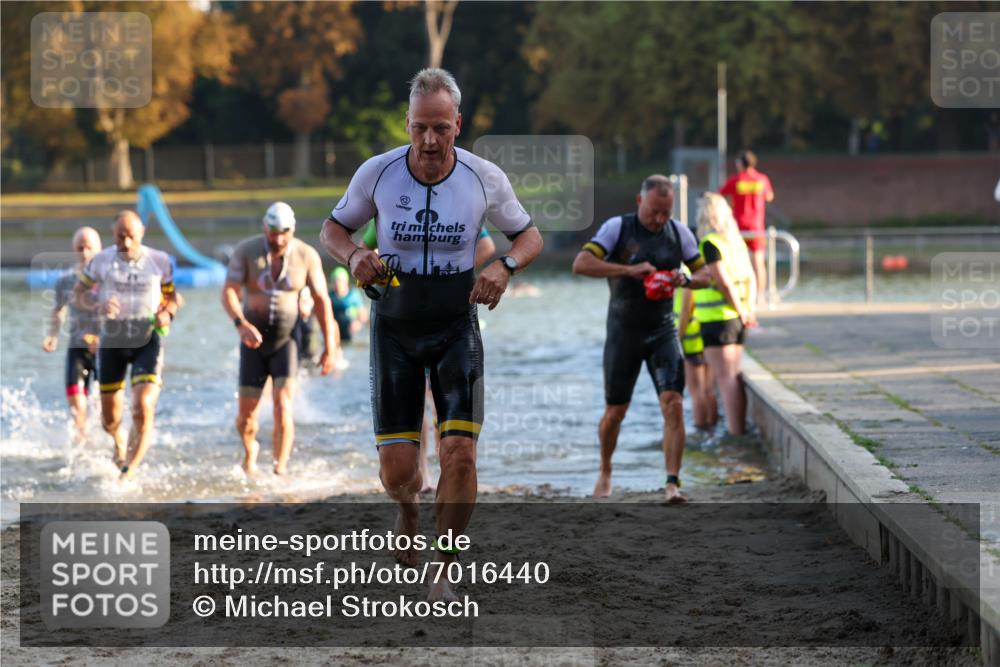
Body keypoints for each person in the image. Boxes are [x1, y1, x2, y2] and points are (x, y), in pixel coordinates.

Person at [320, 67, 543, 601]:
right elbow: (333, 228)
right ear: (407, 124)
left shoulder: (483, 176)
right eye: (420, 127)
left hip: (454, 326)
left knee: (461, 454)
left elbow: (529, 234)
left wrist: (505, 266)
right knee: (399, 471)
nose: (429, 140)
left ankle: (445, 562)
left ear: (457, 125)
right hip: (394, 328)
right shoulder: (377, 173)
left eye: (441, 128)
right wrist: (353, 255)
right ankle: (407, 509)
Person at [572, 175, 710, 503]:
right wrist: (628, 271)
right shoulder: (617, 228)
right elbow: (581, 264)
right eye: (653, 212)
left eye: (666, 212)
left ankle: (672, 483)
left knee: (673, 403)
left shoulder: (680, 233)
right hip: (623, 332)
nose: (659, 219)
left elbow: (706, 276)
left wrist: (686, 280)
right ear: (639, 202)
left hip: (663, 329)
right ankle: (605, 470)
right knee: (615, 412)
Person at [361, 222, 497, 495]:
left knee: (441, 410)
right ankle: (422, 470)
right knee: (417, 407)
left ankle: (444, 469)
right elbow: (365, 250)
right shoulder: (390, 211)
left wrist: (450, 272)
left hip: (448, 323)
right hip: (401, 322)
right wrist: (379, 271)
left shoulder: (453, 212)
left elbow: (487, 245)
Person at [222, 202, 338, 476]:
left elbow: (322, 301)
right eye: (273, 232)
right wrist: (241, 324)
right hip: (253, 341)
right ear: (265, 228)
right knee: (246, 417)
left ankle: (280, 468)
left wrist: (330, 346)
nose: (278, 238)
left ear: (293, 229)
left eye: (284, 232)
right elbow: (228, 291)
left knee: (283, 404)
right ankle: (250, 451)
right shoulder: (246, 251)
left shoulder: (306, 255)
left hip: (286, 341)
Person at [72, 211, 180, 479]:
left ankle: (129, 468)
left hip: (147, 336)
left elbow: (173, 297)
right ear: (113, 234)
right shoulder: (101, 261)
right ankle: (119, 441)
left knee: (142, 405)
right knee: (109, 420)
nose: (127, 242)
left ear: (141, 232)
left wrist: (168, 312)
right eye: (121, 237)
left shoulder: (159, 261)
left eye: (131, 236)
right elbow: (77, 296)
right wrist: (98, 305)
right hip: (113, 338)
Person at [693, 193, 757, 436]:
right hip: (737, 318)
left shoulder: (710, 244)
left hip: (717, 319)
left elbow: (724, 282)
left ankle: (734, 433)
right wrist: (747, 310)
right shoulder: (735, 242)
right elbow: (750, 277)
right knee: (734, 375)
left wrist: (740, 312)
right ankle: (737, 429)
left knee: (725, 378)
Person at [43, 227, 102, 444]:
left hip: (106, 349)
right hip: (77, 348)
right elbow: (59, 309)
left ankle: (105, 441)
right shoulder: (65, 281)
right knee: (77, 406)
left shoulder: (108, 279)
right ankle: (81, 450)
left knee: (103, 408)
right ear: (74, 250)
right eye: (80, 248)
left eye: (90, 248)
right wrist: (53, 335)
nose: (85, 253)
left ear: (99, 250)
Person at [719, 149, 773, 304]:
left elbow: (720, 194)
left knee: (736, 261)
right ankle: (760, 296)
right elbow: (769, 196)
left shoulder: (736, 180)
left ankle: (739, 295)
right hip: (756, 227)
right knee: (758, 263)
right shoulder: (762, 179)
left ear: (741, 164)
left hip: (738, 227)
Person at [674, 267, 717, 432]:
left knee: (696, 391)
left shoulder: (687, 273)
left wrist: (678, 338)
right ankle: (712, 427)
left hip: (692, 340)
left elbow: (686, 310)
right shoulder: (705, 269)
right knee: (708, 390)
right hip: (707, 334)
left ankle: (701, 430)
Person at [328, 266, 368, 344]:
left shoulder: (353, 295)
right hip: (334, 330)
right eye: (335, 281)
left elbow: (363, 314)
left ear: (346, 282)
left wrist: (358, 323)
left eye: (339, 281)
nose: (337, 284)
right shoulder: (330, 296)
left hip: (350, 329)